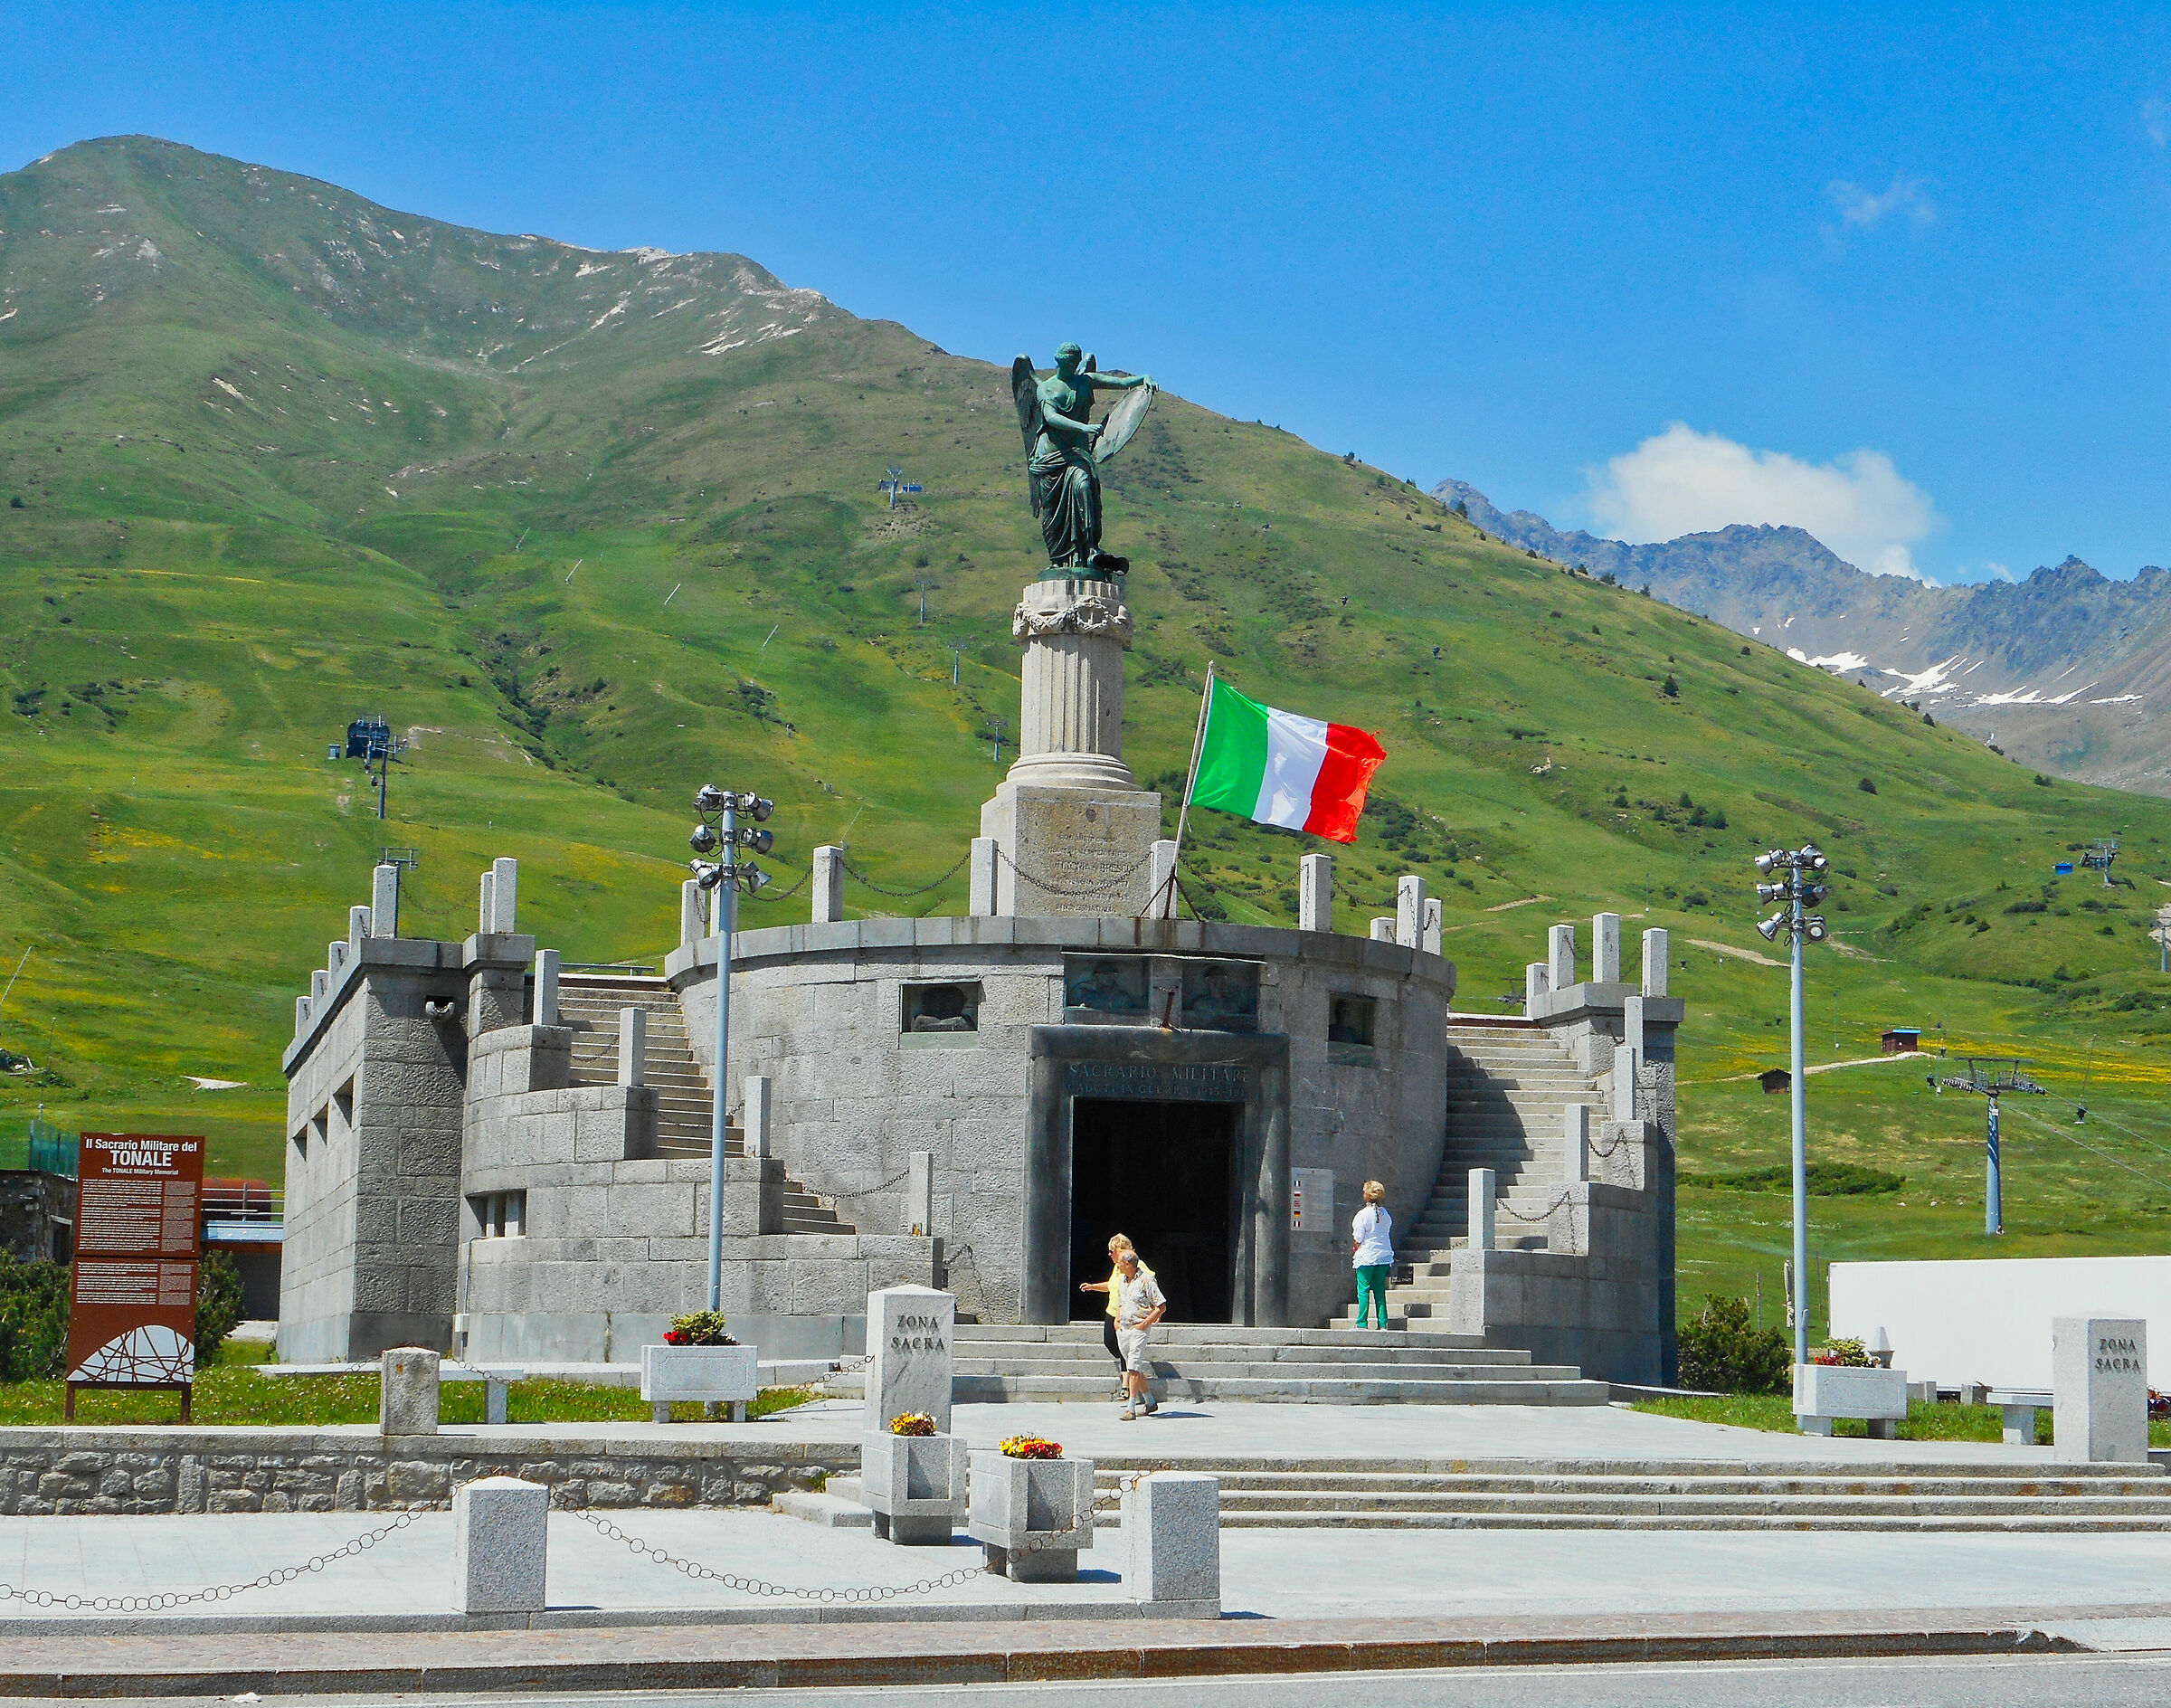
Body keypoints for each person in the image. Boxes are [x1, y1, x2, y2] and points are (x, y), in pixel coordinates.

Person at [1077, 1234, 1150, 1400]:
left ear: (1120, 1250)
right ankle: (1130, 1372)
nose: (1109, 1254)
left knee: (1125, 1346)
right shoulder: (1118, 1267)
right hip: (1113, 1311)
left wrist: (1152, 1308)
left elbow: (1150, 1282)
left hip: (1128, 1315)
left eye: (1111, 1251)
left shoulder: (1136, 1265)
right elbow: (1112, 1286)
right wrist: (1093, 1287)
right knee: (1110, 1342)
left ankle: (1127, 1385)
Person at [1110, 1245, 1168, 1419]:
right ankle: (1150, 1402)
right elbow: (1122, 1301)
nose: (1117, 1265)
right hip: (1124, 1329)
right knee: (1133, 1367)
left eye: (1120, 1262)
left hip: (1138, 1328)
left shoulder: (1147, 1280)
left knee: (1133, 1366)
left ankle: (1131, 1407)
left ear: (1129, 1264)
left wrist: (1144, 1324)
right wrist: (1117, 1319)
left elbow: (1161, 1306)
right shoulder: (1122, 1281)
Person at [1351, 1180, 1394, 1329]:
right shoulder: (1385, 1214)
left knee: (1363, 1290)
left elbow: (1358, 1236)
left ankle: (1362, 1322)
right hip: (1384, 1254)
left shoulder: (1363, 1214)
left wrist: (1356, 1247)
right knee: (1379, 1290)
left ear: (1368, 1196)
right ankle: (1383, 1323)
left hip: (1366, 1255)